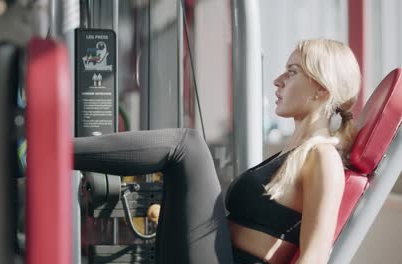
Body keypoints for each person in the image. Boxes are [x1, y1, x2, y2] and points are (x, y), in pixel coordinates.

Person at [74, 39, 361, 264]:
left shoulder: (323, 158)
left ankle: (49, 152)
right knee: (178, 164)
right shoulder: (294, 153)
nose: (278, 80)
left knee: (187, 146)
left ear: (321, 91)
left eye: (292, 72)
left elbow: (315, 258)